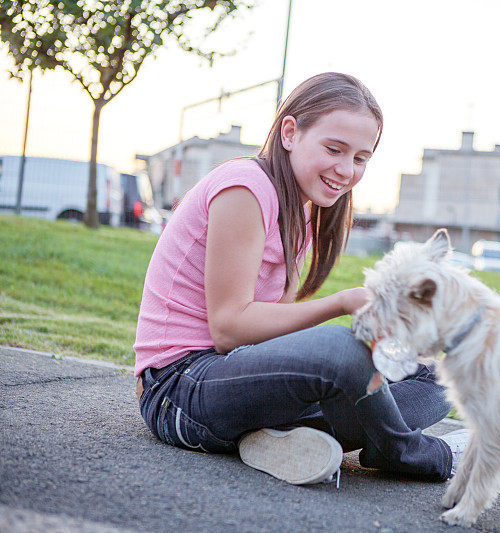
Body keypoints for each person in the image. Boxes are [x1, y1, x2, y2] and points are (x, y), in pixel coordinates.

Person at [134, 72, 469, 485]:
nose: (346, 170)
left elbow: (269, 337)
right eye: (334, 149)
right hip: (178, 392)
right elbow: (228, 329)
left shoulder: (301, 210)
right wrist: (342, 303)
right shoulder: (244, 187)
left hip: (232, 381)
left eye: (361, 158)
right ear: (290, 132)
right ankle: (412, 452)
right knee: (341, 349)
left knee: (431, 376)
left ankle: (283, 440)